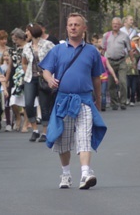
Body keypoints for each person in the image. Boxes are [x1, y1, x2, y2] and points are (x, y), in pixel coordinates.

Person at [40, 13, 107, 190]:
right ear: (67, 28)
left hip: (84, 100)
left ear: (84, 28)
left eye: (77, 24)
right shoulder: (58, 50)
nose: (73, 27)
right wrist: (49, 79)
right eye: (70, 25)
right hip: (63, 101)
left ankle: (86, 173)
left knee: (84, 136)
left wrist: (98, 100)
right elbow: (45, 70)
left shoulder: (92, 51)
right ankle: (66, 174)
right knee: (63, 139)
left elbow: (97, 78)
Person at [22, 23, 55, 142]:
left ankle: (45, 132)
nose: (25, 34)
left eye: (27, 31)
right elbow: (24, 62)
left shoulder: (48, 44)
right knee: (29, 104)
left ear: (33, 32)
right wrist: (26, 72)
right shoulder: (26, 46)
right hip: (30, 78)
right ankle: (35, 130)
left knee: (44, 105)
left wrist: (51, 74)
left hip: (44, 78)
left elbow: (56, 58)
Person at [102, 17, 131, 111]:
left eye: (117, 24)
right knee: (111, 84)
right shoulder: (106, 36)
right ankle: (114, 103)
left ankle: (123, 102)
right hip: (110, 61)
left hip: (121, 60)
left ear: (120, 25)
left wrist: (131, 60)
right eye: (114, 23)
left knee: (123, 81)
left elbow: (129, 49)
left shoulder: (124, 36)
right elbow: (103, 49)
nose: (115, 25)